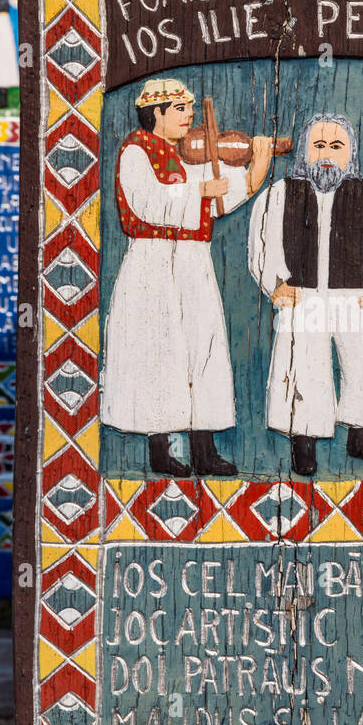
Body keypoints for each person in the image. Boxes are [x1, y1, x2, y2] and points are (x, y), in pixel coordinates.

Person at [101, 77, 273, 477]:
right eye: (181, 109)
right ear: (156, 113)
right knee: (157, 354)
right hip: (152, 260)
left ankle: (204, 447)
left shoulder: (186, 154)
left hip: (194, 258)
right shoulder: (134, 151)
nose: (190, 116)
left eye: (191, 108)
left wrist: (253, 173)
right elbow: (147, 203)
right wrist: (199, 191)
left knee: (204, 348)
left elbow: (216, 201)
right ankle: (159, 448)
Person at [249, 112, 363, 477]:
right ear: (304, 150)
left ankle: (361, 435)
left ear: (350, 153)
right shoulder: (281, 194)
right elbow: (261, 245)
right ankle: (304, 442)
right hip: (303, 297)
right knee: (302, 364)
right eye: (318, 145)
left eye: (336, 146)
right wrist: (274, 286)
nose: (326, 154)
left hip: (352, 297)